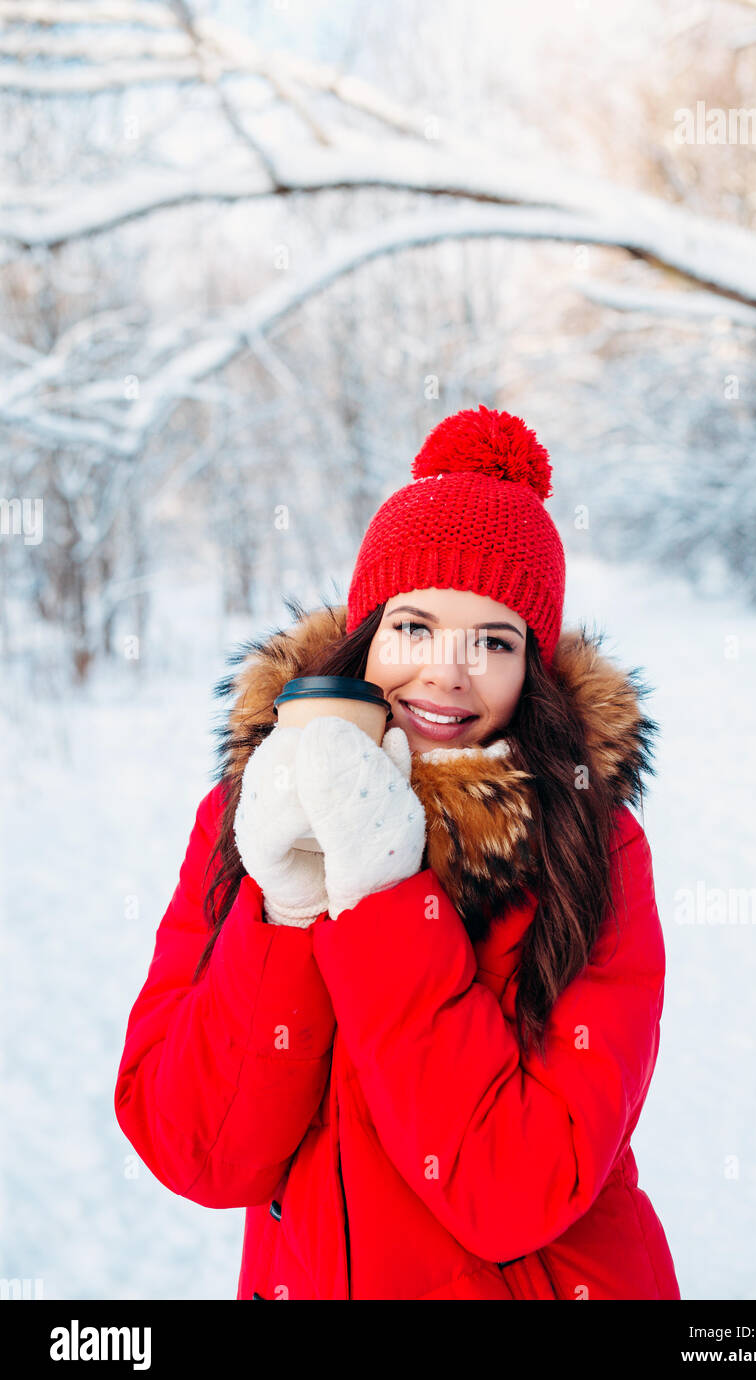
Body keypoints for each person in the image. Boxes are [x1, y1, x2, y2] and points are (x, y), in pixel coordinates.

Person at [114, 403, 681, 1300]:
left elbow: (519, 1192)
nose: (444, 673)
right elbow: (201, 1154)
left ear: (531, 667)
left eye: (492, 640)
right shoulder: (247, 812)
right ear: (367, 635)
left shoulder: (593, 846)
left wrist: (384, 899)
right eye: (413, 627)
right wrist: (288, 912)